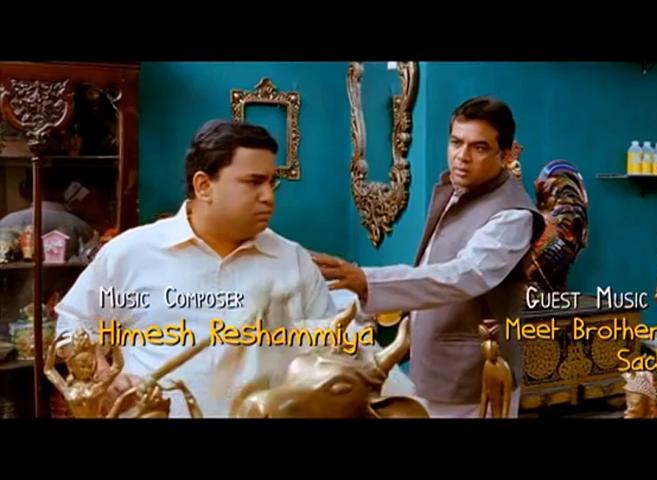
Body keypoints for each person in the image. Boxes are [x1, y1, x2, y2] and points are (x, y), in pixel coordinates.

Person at [55, 120, 337, 417]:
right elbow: (73, 325)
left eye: (271, 183)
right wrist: (103, 376)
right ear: (203, 186)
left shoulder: (293, 261)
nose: (268, 196)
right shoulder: (131, 252)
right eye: (253, 182)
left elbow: (332, 354)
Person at [314, 97, 545, 418]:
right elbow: (430, 270)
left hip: (472, 379)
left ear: (505, 156)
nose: (462, 156)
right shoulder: (454, 191)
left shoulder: (512, 215)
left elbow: (466, 275)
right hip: (432, 369)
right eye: (456, 142)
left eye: (479, 148)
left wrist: (369, 280)